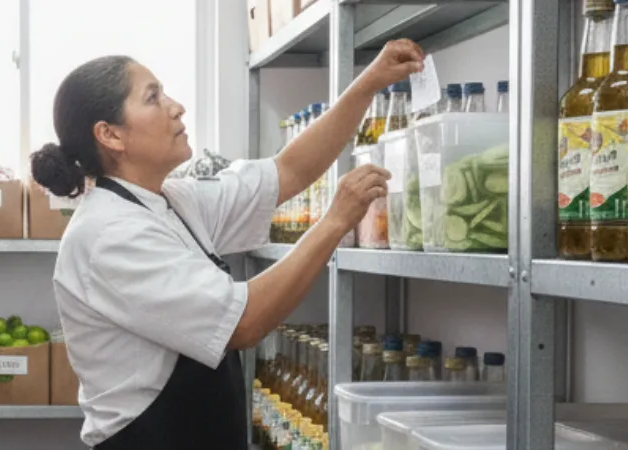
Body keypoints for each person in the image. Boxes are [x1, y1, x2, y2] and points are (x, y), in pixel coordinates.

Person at [30, 39, 424, 449]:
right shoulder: (108, 234)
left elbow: (287, 171)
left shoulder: (173, 200)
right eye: (153, 98)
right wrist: (335, 222)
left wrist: (368, 84)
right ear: (110, 135)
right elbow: (243, 323)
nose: (176, 106)